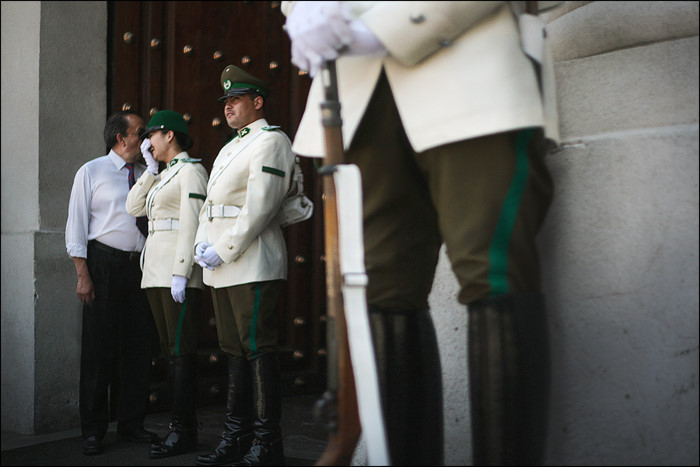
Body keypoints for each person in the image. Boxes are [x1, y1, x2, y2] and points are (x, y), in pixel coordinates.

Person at [283, 1, 560, 465]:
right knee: (381, 290)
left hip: (470, 62)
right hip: (355, 89)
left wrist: (385, 26)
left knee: (492, 274)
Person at [193, 65, 295, 466]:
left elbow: (260, 205)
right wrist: (203, 242)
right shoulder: (231, 146)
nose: (228, 107)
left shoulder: (271, 141)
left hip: (252, 262)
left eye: (235, 100)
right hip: (223, 264)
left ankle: (268, 442)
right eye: (226, 101)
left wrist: (225, 247)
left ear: (257, 102)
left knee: (257, 348)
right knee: (234, 349)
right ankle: (237, 436)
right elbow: (212, 204)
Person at [65, 110, 158, 456]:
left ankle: (132, 424)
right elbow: (75, 226)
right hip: (103, 265)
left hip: (140, 269)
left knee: (138, 348)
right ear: (121, 139)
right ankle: (93, 430)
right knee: (98, 350)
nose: (146, 139)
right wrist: (83, 275)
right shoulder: (91, 171)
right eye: (140, 133)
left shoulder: (148, 172)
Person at [125, 110, 209, 459]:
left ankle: (184, 431)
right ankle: (179, 429)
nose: (147, 143)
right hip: (155, 273)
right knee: (171, 352)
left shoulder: (191, 171)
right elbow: (133, 208)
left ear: (169, 136)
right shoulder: (163, 174)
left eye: (152, 136)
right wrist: (150, 171)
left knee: (181, 352)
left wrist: (181, 270)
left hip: (176, 274)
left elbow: (191, 223)